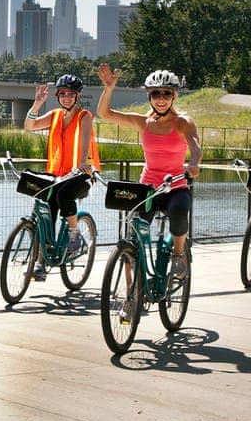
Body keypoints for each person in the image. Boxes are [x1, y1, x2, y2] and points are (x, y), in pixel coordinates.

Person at [97, 63, 202, 312]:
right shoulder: (144, 122)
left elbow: (195, 146)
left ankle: (178, 255)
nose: (161, 98)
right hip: (148, 189)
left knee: (179, 212)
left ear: (174, 95)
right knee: (132, 242)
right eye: (156, 93)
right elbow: (105, 114)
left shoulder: (183, 122)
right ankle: (131, 297)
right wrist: (109, 88)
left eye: (166, 93)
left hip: (175, 186)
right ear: (149, 96)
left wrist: (194, 163)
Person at [22, 73, 101, 280]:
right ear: (57, 95)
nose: (67, 97)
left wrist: (82, 162)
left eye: (71, 94)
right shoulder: (54, 115)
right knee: (45, 212)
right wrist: (37, 104)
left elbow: (85, 138)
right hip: (56, 174)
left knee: (64, 195)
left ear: (77, 96)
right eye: (63, 93)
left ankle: (74, 234)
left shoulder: (84, 116)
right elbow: (29, 126)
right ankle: (41, 263)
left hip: (80, 174)